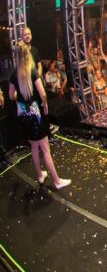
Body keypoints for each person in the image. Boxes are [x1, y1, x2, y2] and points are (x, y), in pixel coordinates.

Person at [8, 42, 71, 190]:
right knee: (45, 149)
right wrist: (44, 103)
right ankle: (57, 181)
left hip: (23, 116)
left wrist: (19, 96)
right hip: (36, 116)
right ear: (27, 55)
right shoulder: (32, 71)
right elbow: (43, 93)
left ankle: (40, 175)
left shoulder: (13, 74)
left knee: (34, 147)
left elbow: (11, 96)